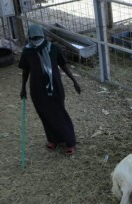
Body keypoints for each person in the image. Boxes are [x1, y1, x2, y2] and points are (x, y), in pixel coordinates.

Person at [19, 24, 81, 156]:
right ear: (29, 37)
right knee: (44, 114)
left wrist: (74, 81)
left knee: (58, 113)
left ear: (43, 35)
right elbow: (25, 71)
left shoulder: (53, 49)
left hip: (54, 87)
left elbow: (63, 66)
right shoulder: (27, 51)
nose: (36, 39)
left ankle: (70, 142)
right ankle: (53, 139)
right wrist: (23, 88)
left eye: (38, 36)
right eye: (34, 37)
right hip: (36, 88)